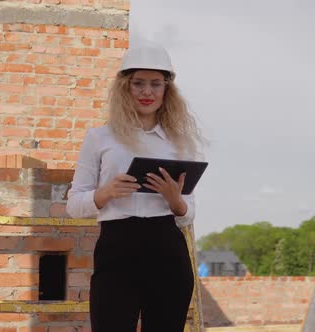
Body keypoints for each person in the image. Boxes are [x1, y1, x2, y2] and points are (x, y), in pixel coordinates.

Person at [66, 42, 204, 332]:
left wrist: (174, 200)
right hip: (117, 248)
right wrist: (104, 194)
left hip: (167, 249)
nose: (147, 92)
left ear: (167, 90)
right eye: (138, 83)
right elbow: (74, 205)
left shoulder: (179, 143)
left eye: (156, 84)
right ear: (124, 87)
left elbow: (188, 212)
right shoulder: (99, 137)